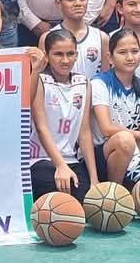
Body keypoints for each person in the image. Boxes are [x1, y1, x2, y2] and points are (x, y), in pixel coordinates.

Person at [28, 29, 96, 198]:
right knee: (61, 200)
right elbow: (41, 127)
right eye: (58, 54)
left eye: (70, 54)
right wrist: (60, 165)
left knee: (86, 200)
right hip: (40, 159)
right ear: (47, 56)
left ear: (77, 55)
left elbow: (85, 132)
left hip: (71, 160)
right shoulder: (40, 80)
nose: (65, 60)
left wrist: (94, 179)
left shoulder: (84, 83)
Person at [91, 27, 140, 184]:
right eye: (122, 52)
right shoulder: (100, 83)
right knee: (125, 139)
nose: (130, 57)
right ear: (110, 58)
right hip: (103, 153)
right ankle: (115, 191)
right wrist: (138, 135)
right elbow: (106, 128)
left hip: (134, 155)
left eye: (135, 51)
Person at [46, 0, 109, 83]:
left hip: (93, 93)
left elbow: (105, 77)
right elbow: (44, 77)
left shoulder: (101, 38)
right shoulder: (48, 37)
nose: (78, 3)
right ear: (58, 3)